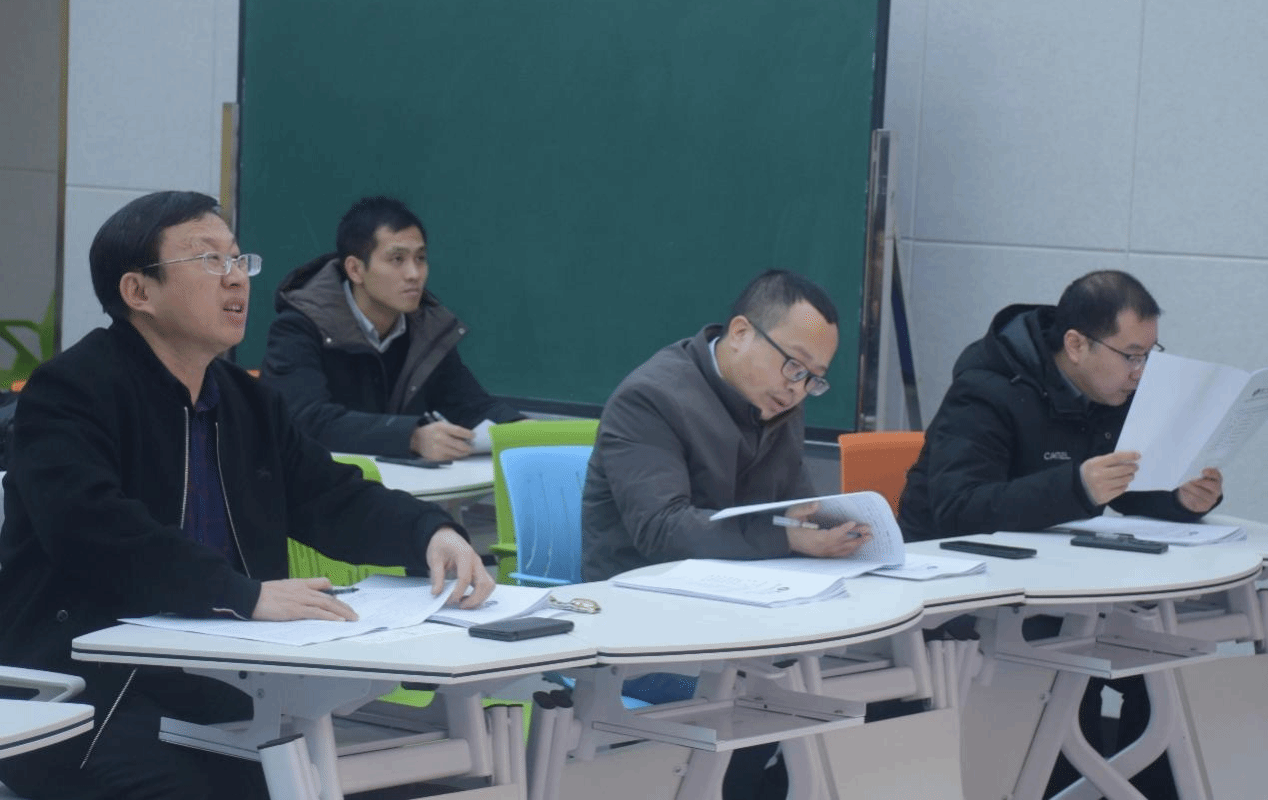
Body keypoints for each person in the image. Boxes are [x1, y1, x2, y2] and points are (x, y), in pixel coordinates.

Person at [0, 191, 494, 800]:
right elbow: (94, 530)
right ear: (139, 291)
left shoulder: (246, 401)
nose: (235, 278)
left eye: (239, 259)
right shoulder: (70, 391)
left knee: (406, 783)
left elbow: (331, 496)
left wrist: (430, 533)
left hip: (225, 686)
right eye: (209, 260)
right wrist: (240, 594)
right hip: (86, 696)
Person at [897, 269, 1223, 800]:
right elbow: (959, 508)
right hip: (957, 596)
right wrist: (1075, 486)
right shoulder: (985, 389)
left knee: (1158, 660)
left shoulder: (1109, 391)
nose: (1141, 372)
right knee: (1079, 670)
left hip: (1054, 589)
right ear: (1076, 344)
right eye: (1131, 355)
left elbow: (1123, 486)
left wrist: (1180, 500)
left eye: (1149, 355)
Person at [581, 268, 871, 582]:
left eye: (812, 378)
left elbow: (796, 510)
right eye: (794, 365)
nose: (797, 389)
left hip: (744, 588)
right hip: (640, 593)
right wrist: (787, 538)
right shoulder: (649, 400)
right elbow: (662, 530)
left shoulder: (779, 403)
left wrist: (827, 530)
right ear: (740, 333)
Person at [260, 195, 523, 460]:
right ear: (355, 270)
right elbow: (304, 420)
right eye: (397, 259)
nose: (414, 274)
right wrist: (411, 436)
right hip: (317, 480)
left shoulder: (426, 329)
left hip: (396, 481)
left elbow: (471, 406)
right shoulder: (298, 328)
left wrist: (523, 429)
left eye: (420, 258)